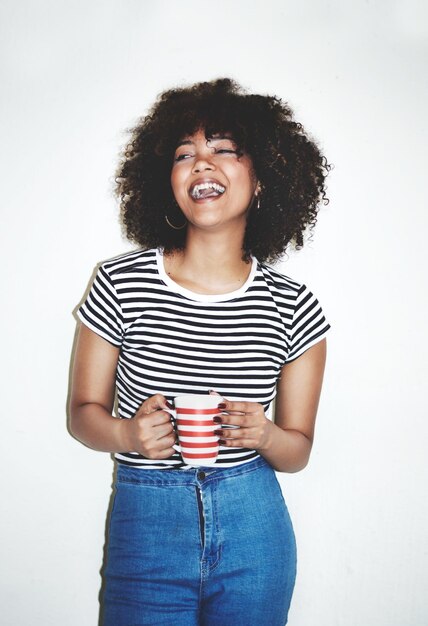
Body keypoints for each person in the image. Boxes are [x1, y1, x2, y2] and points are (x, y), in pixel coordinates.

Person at [69, 77, 331, 626]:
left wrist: (265, 435)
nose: (201, 164)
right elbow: (81, 414)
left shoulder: (294, 306)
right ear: (165, 181)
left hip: (254, 524)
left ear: (262, 180)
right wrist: (124, 433)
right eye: (185, 154)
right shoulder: (119, 283)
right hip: (147, 519)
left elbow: (298, 451)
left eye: (223, 151)